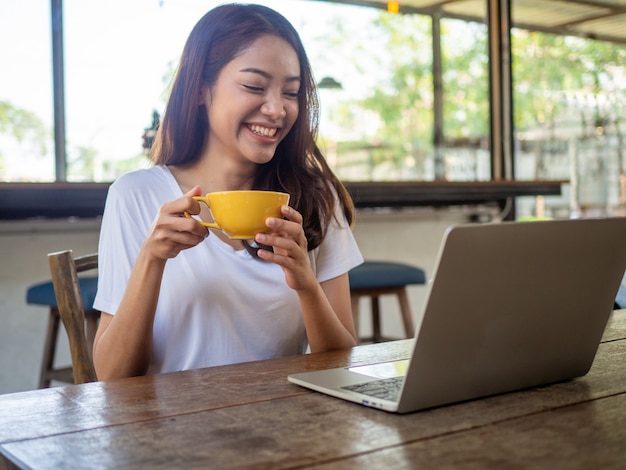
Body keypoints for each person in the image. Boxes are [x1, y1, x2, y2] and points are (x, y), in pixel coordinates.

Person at [92, 3, 363, 380]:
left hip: (289, 428)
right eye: (254, 86)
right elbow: (112, 377)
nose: (276, 109)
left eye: (290, 92)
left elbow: (342, 363)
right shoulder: (136, 195)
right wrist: (152, 259)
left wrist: (305, 284)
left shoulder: (314, 197)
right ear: (202, 90)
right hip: (171, 431)